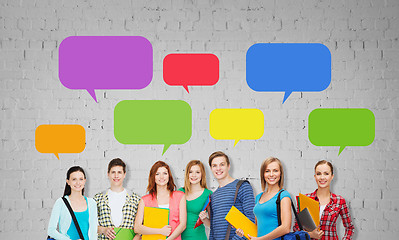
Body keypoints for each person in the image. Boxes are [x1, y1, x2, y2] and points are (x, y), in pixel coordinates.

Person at [293, 160, 354, 240]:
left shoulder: (339, 201)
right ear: (315, 177)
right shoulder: (305, 199)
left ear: (332, 176)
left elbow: (350, 228)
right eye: (319, 174)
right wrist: (311, 234)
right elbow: (296, 229)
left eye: (326, 173)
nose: (322, 177)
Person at [237, 157, 292, 240]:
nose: (271, 174)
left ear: (280, 174)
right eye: (267, 171)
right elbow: (256, 227)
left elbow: (286, 228)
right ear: (263, 174)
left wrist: (261, 239)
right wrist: (242, 230)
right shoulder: (259, 197)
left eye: (275, 171)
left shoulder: (284, 196)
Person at [208, 151, 255, 240]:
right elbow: (213, 228)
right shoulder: (213, 196)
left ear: (228, 166)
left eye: (222, 164)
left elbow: (251, 219)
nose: (218, 168)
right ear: (211, 168)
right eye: (214, 165)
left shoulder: (242, 186)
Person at [134, 161, 187, 240]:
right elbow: (137, 228)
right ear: (153, 177)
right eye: (157, 174)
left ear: (169, 176)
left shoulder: (180, 196)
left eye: (165, 173)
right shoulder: (145, 200)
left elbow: (183, 225)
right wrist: (160, 231)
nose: (161, 177)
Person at [94, 158, 141, 240]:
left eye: (119, 172)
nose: (116, 176)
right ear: (108, 174)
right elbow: (90, 225)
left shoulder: (135, 199)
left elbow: (141, 227)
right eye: (113, 172)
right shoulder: (98, 199)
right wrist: (103, 230)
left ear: (124, 174)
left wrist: (137, 237)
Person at [48, 166, 98, 240]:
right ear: (68, 182)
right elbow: (51, 231)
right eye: (74, 179)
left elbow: (94, 232)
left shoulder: (92, 203)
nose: (78, 183)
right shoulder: (61, 202)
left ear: (84, 181)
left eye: (81, 179)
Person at [178, 160, 212, 240]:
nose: (194, 175)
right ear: (187, 174)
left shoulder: (208, 194)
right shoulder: (179, 192)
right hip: (179, 236)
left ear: (202, 174)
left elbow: (211, 224)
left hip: (198, 237)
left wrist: (204, 219)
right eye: (191, 172)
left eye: (197, 172)